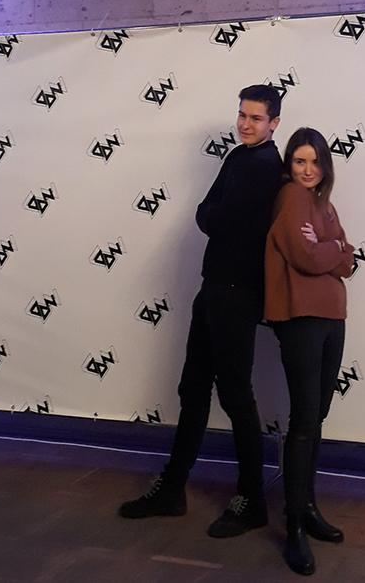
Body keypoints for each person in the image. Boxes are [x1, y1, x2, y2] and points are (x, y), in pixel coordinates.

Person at [119, 85, 284, 537]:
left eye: (256, 118)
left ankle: (252, 500)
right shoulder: (238, 158)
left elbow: (217, 219)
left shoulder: (265, 166)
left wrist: (217, 219)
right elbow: (207, 214)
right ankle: (173, 488)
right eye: (242, 115)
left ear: (274, 123)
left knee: (234, 395)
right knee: (193, 388)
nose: (246, 124)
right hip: (213, 288)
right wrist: (217, 219)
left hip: (237, 293)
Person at [264, 128, 353, 576]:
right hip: (301, 318)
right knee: (304, 420)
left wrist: (331, 247)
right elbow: (306, 257)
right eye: (299, 161)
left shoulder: (323, 203)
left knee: (316, 416)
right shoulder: (292, 197)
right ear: (289, 164)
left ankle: (309, 508)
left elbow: (347, 261)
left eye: (314, 162)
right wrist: (332, 247)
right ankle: (294, 525)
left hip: (332, 316)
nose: (307, 169)